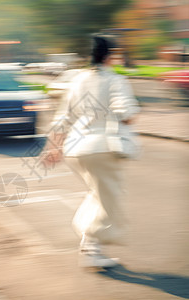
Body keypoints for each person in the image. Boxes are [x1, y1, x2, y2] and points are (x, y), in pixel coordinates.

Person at [42, 36, 140, 268]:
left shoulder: (78, 80)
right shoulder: (115, 80)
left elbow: (63, 118)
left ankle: (89, 247)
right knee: (109, 199)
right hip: (102, 149)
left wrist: (53, 148)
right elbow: (126, 112)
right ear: (110, 56)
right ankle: (90, 245)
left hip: (75, 149)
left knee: (97, 194)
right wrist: (126, 118)